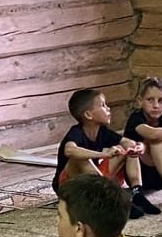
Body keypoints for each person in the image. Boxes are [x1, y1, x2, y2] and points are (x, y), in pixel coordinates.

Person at [55, 87, 150, 217]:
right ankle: (113, 200)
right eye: (103, 105)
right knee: (80, 158)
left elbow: (128, 142)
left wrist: (139, 147)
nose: (108, 108)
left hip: (93, 181)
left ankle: (137, 193)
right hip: (69, 185)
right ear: (88, 115)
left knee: (125, 150)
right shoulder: (76, 132)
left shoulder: (102, 132)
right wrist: (104, 154)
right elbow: (69, 150)